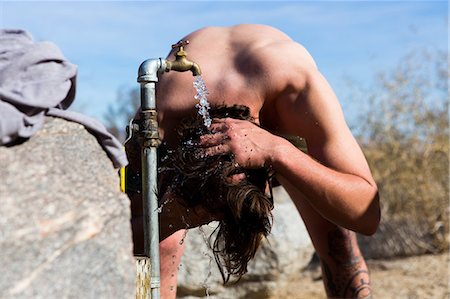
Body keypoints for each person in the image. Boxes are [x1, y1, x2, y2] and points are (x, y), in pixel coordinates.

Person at [126, 24, 380, 299]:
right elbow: (125, 235)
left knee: (337, 239)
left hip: (277, 115)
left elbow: (367, 215)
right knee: (160, 245)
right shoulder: (162, 118)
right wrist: (172, 218)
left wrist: (280, 151)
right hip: (190, 118)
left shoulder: (291, 84)